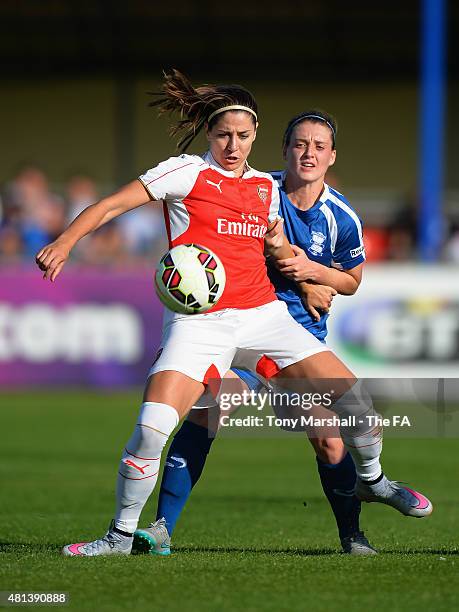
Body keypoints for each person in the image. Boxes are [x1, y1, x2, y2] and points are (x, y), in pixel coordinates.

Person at [36, 70, 432, 557]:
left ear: (256, 135)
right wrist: (65, 241)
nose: (233, 144)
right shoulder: (184, 172)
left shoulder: (265, 191)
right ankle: (120, 535)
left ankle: (371, 482)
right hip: (199, 324)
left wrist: (308, 282)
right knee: (152, 426)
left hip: (265, 316)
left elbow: (276, 244)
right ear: (210, 133)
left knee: (357, 406)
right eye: (224, 134)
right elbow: (112, 204)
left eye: (243, 136)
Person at [133, 109, 379, 556]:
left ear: (331, 156)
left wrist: (317, 276)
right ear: (284, 149)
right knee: (210, 406)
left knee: (328, 438)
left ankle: (352, 534)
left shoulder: (340, 215)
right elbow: (241, 243)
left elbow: (352, 280)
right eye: (300, 144)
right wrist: (305, 284)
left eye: (318, 146)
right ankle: (162, 527)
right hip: (236, 324)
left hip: (293, 336)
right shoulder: (256, 188)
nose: (308, 153)